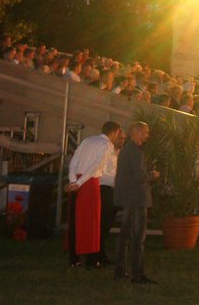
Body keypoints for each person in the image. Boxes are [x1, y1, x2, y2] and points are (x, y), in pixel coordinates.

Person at [66, 121, 122, 269]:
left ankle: (74, 257)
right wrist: (81, 182)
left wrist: (73, 180)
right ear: (114, 132)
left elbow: (74, 161)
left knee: (75, 220)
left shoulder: (87, 140)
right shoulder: (107, 145)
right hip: (90, 183)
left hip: (78, 179)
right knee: (93, 222)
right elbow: (96, 166)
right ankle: (92, 259)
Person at [113, 121, 158, 284]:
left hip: (127, 197)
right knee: (138, 237)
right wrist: (152, 175)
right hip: (137, 198)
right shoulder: (136, 152)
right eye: (145, 132)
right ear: (137, 133)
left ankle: (119, 270)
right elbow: (139, 176)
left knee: (124, 235)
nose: (147, 135)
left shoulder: (126, 150)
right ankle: (137, 274)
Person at [96, 126, 128, 265]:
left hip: (115, 190)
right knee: (102, 224)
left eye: (124, 139)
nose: (122, 141)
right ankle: (97, 254)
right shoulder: (106, 151)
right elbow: (102, 172)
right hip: (104, 188)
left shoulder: (120, 153)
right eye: (120, 138)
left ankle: (100, 253)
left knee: (107, 223)